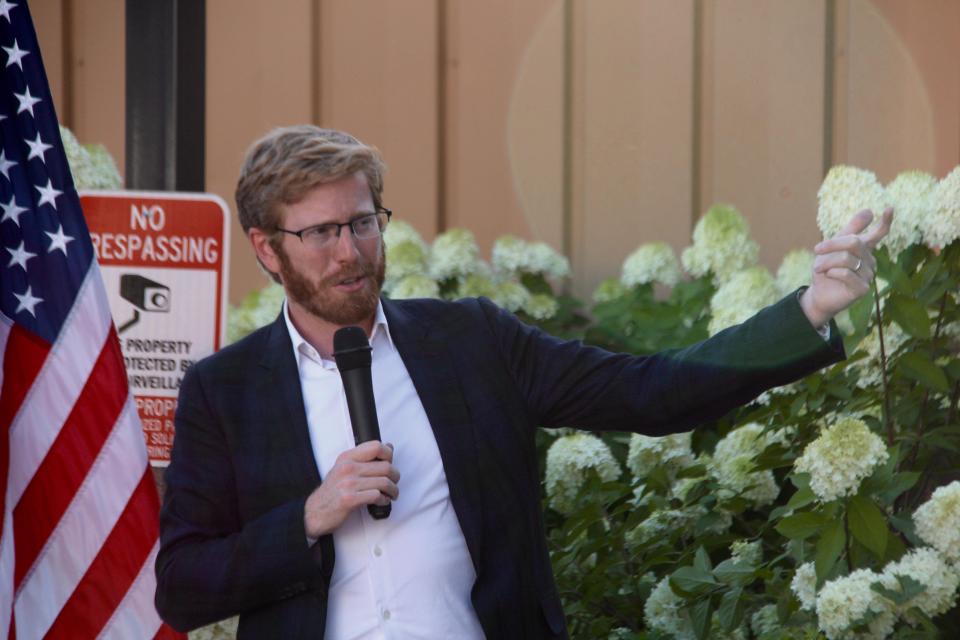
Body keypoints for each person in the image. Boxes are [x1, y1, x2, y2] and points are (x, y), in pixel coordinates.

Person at [154, 125, 891, 639]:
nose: (352, 253)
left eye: (364, 222)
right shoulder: (226, 391)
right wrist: (308, 516)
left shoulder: (469, 341)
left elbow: (654, 392)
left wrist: (810, 309)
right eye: (321, 233)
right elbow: (184, 586)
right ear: (266, 249)